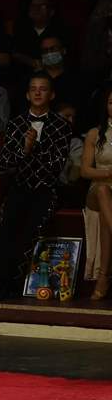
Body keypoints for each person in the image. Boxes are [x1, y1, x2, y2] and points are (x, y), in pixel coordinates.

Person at [0, 74, 71, 300]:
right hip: (19, 187)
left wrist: (34, 147)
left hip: (46, 189)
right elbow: (5, 163)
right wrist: (24, 150)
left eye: (42, 89)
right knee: (7, 231)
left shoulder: (62, 126)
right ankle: (0, 284)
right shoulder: (16, 124)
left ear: (51, 95)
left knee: (29, 233)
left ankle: (17, 285)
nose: (37, 92)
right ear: (27, 95)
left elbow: (56, 166)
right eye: (33, 88)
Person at [81, 89, 112, 299]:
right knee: (102, 190)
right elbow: (84, 171)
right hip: (98, 187)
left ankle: (103, 277)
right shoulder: (95, 133)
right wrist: (108, 172)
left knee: (107, 214)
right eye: (111, 102)